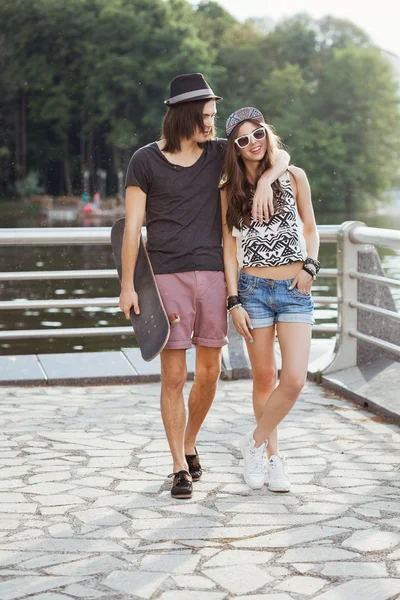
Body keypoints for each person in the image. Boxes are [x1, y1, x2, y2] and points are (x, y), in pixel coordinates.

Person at [119, 76, 290, 499]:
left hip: (214, 276)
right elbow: (132, 230)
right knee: (174, 374)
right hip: (165, 278)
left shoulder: (218, 154)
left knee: (211, 373)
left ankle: (190, 439)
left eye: (214, 116)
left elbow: (275, 153)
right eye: (208, 116)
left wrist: (268, 181)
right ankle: (179, 464)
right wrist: (128, 285)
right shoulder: (144, 161)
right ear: (185, 116)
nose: (213, 124)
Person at [221, 107, 320, 492]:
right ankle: (273, 457)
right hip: (253, 292)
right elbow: (228, 248)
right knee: (265, 377)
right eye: (243, 140)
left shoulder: (294, 177)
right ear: (235, 148)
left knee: (294, 379)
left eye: (257, 133)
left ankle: (253, 443)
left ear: (266, 132)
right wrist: (233, 301)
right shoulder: (228, 188)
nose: (253, 143)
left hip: (295, 290)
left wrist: (310, 267)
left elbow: (310, 229)